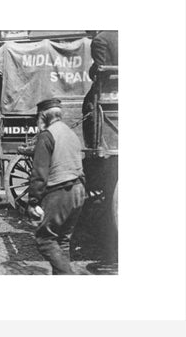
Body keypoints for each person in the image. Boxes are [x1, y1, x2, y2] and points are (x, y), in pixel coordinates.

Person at [26, 98, 86, 275]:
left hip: (60, 191)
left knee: (44, 240)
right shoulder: (71, 133)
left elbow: (39, 173)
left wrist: (33, 201)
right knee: (63, 241)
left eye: (38, 117)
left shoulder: (47, 135)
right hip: (79, 189)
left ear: (43, 116)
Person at [82, 30, 118, 148]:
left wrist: (92, 71)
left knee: (88, 104)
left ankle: (93, 145)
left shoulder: (100, 39)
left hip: (109, 87)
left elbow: (100, 68)